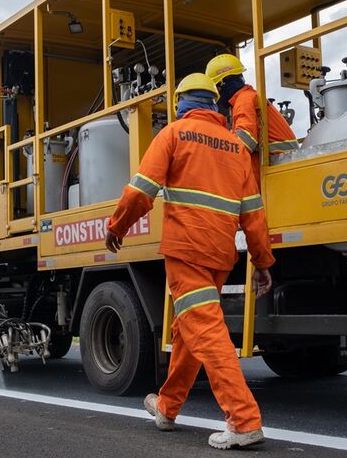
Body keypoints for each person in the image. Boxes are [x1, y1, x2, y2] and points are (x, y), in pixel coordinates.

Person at [104, 73, 275, 450]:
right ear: (214, 105)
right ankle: (167, 407)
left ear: (180, 103)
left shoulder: (174, 134)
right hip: (220, 256)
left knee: (206, 331)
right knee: (187, 329)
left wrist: (117, 226)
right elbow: (254, 214)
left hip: (186, 251)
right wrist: (262, 261)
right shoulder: (236, 147)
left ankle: (243, 420)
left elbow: (141, 191)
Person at [205, 53, 298, 186]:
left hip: (279, 166)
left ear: (224, 84)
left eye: (217, 88)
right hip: (281, 163)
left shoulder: (243, 101)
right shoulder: (246, 97)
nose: (217, 94)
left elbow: (243, 143)